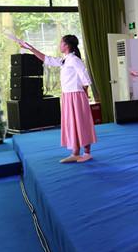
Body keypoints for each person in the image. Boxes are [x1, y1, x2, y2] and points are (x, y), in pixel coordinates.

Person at [20, 35, 97, 163]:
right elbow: (47, 59)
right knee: (72, 124)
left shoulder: (74, 60)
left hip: (76, 95)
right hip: (67, 95)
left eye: (61, 43)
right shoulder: (64, 60)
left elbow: (85, 77)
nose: (59, 45)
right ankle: (75, 152)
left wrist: (84, 93)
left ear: (67, 45)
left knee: (81, 123)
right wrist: (30, 48)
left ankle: (87, 153)